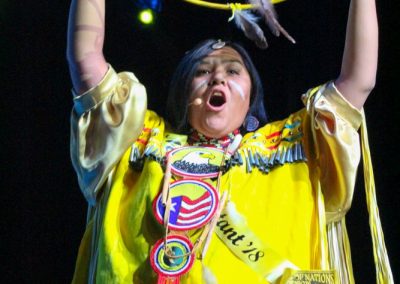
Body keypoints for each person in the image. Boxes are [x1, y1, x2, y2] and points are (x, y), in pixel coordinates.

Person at [67, 0, 393, 283]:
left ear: (250, 96)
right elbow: (86, 61)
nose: (218, 77)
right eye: (202, 71)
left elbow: (358, 81)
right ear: (184, 91)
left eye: (233, 71)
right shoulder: (140, 143)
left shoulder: (290, 146)